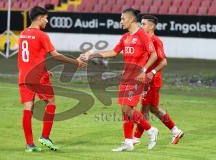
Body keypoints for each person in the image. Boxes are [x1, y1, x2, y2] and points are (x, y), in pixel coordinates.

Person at [80, 8, 159, 151]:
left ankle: (151, 130)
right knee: (124, 110)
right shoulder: (125, 37)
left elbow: (153, 55)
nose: (121, 21)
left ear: (132, 19)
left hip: (136, 78)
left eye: (123, 19)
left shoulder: (142, 35)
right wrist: (93, 55)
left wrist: (143, 70)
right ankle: (128, 142)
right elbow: (113, 53)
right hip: (125, 77)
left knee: (127, 108)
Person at [18, 6, 86, 152]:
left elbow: (32, 57)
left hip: (24, 76)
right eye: (46, 18)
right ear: (40, 17)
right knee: (51, 102)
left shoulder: (23, 34)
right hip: (38, 78)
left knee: (28, 108)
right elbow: (55, 55)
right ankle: (45, 136)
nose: (47, 21)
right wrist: (76, 62)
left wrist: (46, 71)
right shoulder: (42, 35)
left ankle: (29, 145)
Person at [133, 15, 184, 145]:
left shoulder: (155, 41)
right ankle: (175, 131)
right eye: (141, 24)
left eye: (144, 24)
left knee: (144, 109)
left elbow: (164, 61)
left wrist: (153, 72)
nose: (141, 26)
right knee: (153, 109)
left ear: (152, 26)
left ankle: (136, 138)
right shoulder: (144, 41)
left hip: (152, 81)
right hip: (147, 80)